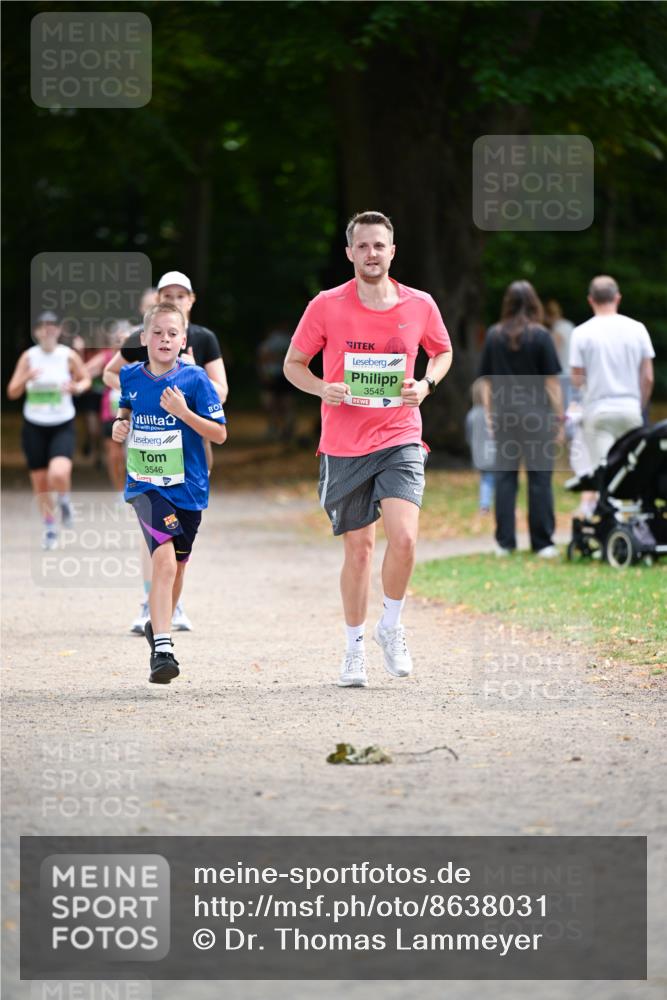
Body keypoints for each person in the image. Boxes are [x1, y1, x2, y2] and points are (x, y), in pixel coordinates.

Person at [283, 211, 452, 688]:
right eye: (363, 246)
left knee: (405, 539)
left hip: (400, 434)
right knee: (359, 550)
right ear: (349, 253)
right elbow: (294, 364)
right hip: (344, 444)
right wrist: (321, 388)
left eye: (380, 246)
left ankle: (391, 625)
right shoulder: (326, 305)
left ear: (392, 251)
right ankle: (354, 646)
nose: (371, 254)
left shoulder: (419, 304)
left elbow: (442, 351)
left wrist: (426, 384)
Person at [103, 271, 229, 634]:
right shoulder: (142, 338)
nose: (174, 299)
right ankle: (150, 601)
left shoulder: (203, 338)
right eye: (167, 293)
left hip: (190, 438)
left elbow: (220, 389)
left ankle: (171, 601)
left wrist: (189, 392)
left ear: (192, 299)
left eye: (181, 294)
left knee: (180, 529)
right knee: (157, 529)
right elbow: (115, 376)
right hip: (148, 440)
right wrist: (135, 402)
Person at [477, 280, 564, 558]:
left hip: (504, 417)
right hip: (536, 418)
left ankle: (505, 542)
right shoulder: (541, 336)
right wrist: (560, 417)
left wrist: (490, 417)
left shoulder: (493, 335)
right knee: (540, 479)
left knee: (504, 478)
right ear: (535, 303)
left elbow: (487, 383)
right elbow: (551, 382)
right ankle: (543, 543)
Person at [6, 311, 91, 549]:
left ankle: (64, 501)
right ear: (36, 332)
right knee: (41, 482)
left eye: (52, 325)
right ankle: (50, 527)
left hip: (62, 424)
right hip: (34, 426)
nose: (47, 329)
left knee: (59, 474)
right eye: (42, 326)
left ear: (59, 329)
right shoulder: (28, 357)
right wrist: (25, 377)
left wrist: (76, 387)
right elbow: (12, 392)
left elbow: (85, 380)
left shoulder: (68, 355)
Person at [569, 275, 655, 475]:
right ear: (617, 298)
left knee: (604, 472)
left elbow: (576, 379)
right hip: (630, 409)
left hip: (598, 410)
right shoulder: (638, 329)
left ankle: (607, 504)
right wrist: (639, 404)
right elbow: (648, 377)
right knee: (630, 473)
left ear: (590, 299)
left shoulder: (581, 333)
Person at [257, 323, 296, 442]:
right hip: (282, 376)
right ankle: (283, 428)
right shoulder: (288, 341)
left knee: (276, 404)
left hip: (277, 376)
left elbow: (262, 361)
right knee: (282, 404)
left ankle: (281, 428)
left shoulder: (269, 344)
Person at [465, 379, 496, 513]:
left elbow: (469, 435)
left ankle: (484, 505)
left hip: (480, 454)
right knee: (500, 478)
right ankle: (499, 503)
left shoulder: (472, 415)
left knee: (486, 479)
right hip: (496, 452)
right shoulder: (494, 414)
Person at [544, 299, 575, 409]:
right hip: (573, 372)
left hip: (562, 374)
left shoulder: (557, 330)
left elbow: (553, 354)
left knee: (561, 407)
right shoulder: (569, 325)